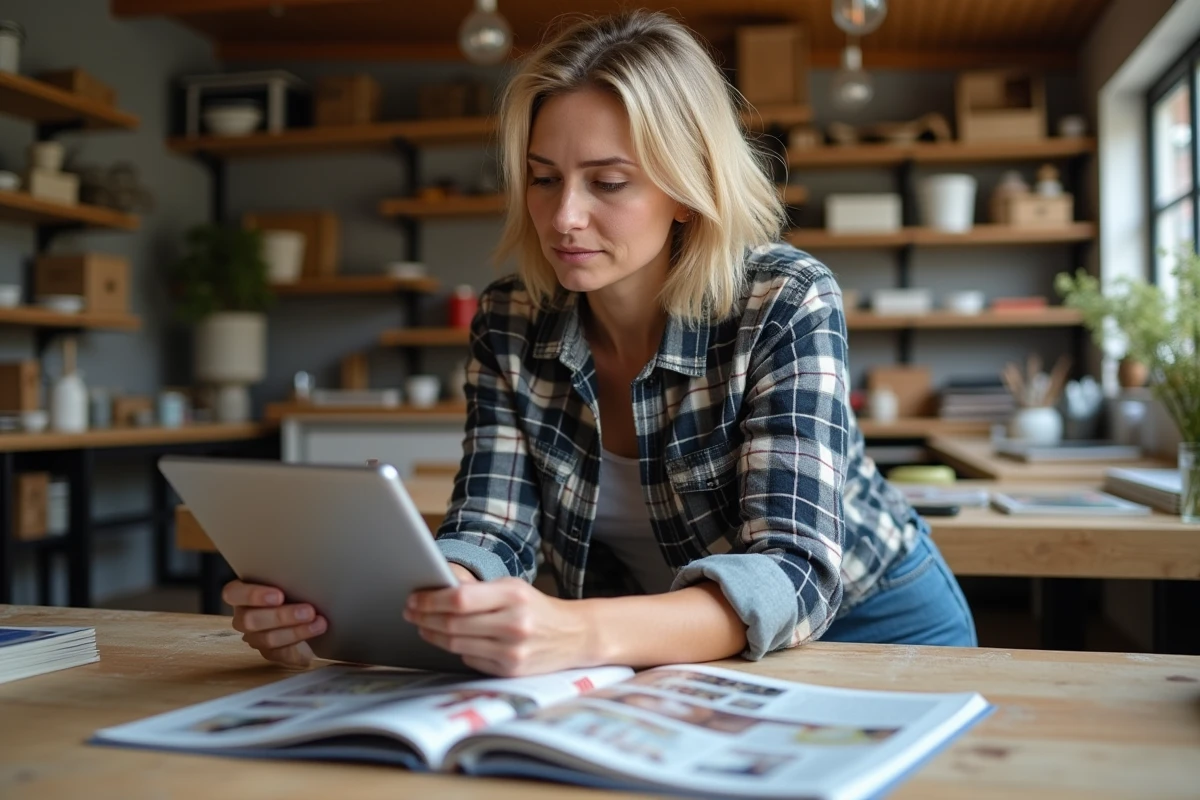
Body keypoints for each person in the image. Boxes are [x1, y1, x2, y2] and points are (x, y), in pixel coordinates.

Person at [223, 10, 977, 674]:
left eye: (608, 183)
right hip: (653, 647)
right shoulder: (509, 319)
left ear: (687, 191)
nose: (563, 218)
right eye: (543, 178)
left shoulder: (784, 298)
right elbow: (491, 529)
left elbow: (793, 572)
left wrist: (577, 631)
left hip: (876, 628)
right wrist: (388, 607)